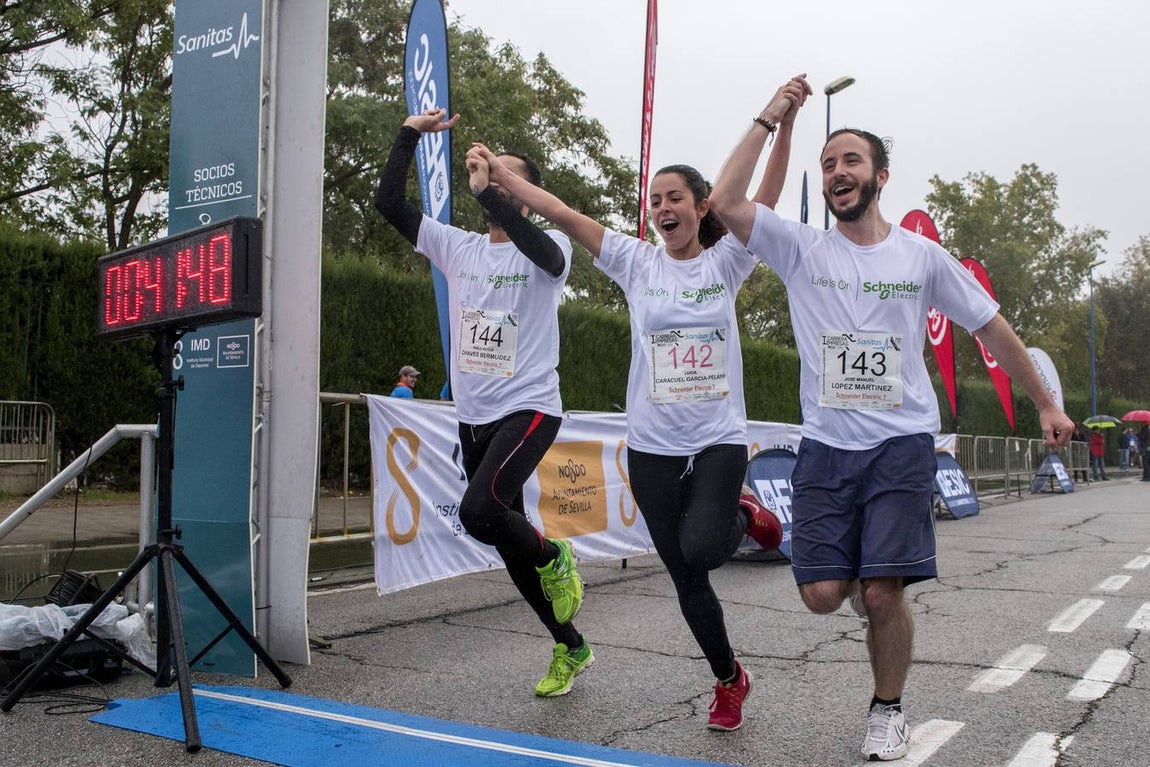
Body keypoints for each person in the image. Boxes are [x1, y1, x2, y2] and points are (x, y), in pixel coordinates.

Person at [708, 74, 1075, 761]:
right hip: (825, 449)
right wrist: (772, 118)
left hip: (901, 445)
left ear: (880, 175)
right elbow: (724, 201)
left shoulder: (921, 256)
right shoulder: (800, 247)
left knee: (880, 591)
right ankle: (880, 594)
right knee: (823, 593)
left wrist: (1046, 401)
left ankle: (887, 707)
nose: (837, 172)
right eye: (827, 164)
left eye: (851, 160)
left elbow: (991, 329)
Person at [462, 81, 800, 731]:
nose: (662, 207)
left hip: (717, 436)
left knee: (702, 547)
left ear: (701, 208)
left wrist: (780, 124)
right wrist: (501, 179)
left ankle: (737, 512)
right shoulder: (634, 260)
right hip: (651, 446)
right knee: (686, 578)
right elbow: (557, 211)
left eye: (675, 198)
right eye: (655, 200)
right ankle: (730, 679)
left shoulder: (725, 261)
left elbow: (766, 198)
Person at [374, 108, 588, 698]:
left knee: (477, 513)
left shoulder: (551, 252)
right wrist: (410, 135)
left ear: (524, 193)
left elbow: (539, 250)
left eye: (504, 177)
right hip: (474, 418)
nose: (493, 183)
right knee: (501, 536)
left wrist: (491, 188)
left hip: (532, 407)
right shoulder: (458, 247)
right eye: (488, 175)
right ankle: (570, 645)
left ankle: (555, 554)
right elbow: (389, 204)